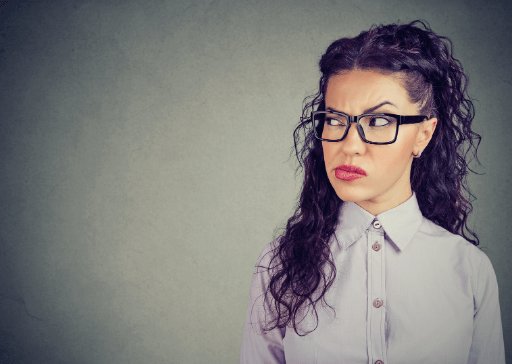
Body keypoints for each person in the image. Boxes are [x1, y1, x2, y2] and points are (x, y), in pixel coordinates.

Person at [239, 20, 505, 364]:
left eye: (378, 121)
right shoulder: (280, 264)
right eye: (335, 120)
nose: (350, 146)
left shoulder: (469, 270)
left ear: (423, 134)